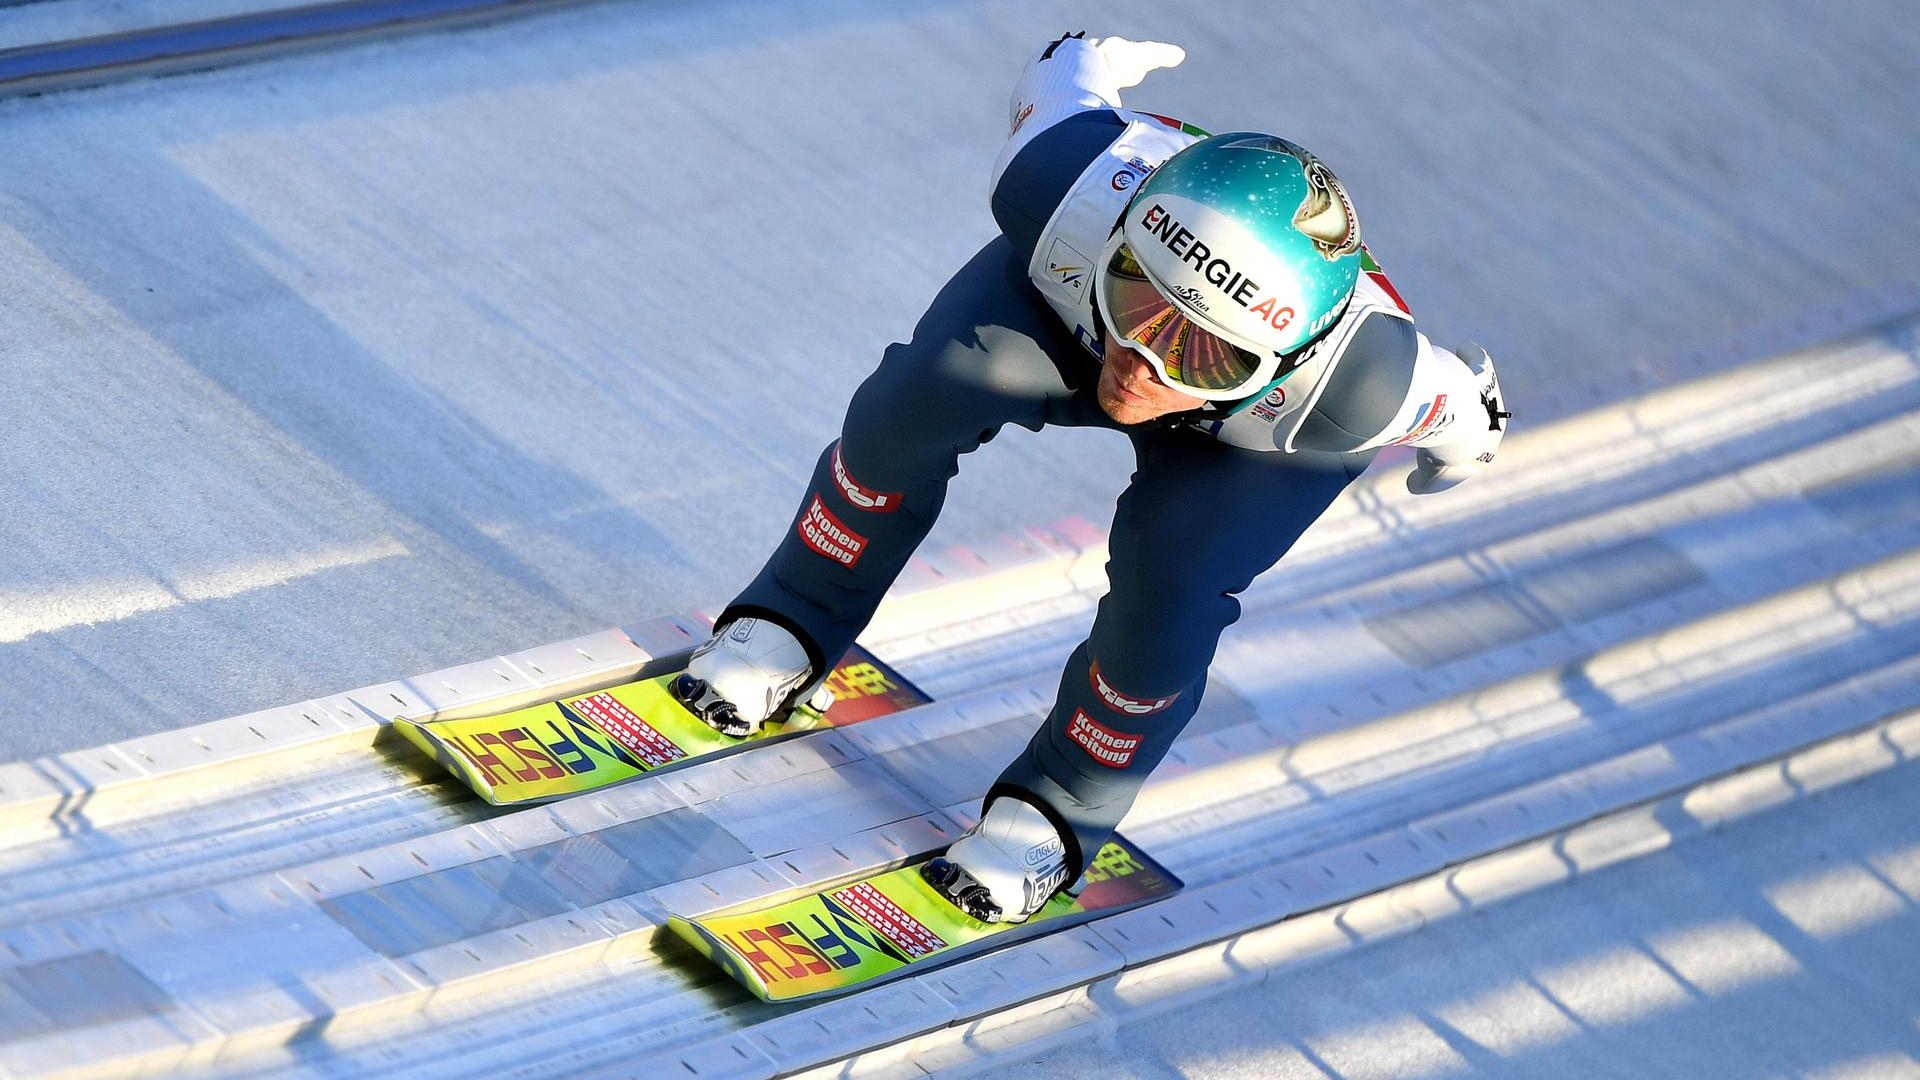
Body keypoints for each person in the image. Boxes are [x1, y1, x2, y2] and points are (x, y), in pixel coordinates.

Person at [670, 32, 1509, 923]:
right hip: (1078, 321)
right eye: (1143, 298)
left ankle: (1061, 806)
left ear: (1288, 356)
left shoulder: (1362, 389)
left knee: (1172, 584)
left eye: (1201, 352)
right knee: (910, 404)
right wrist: (1089, 55)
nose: (1144, 365)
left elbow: (1471, 414)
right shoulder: (1061, 177)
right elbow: (1064, 70)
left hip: (1254, 437)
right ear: (1120, 239)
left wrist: (1464, 445)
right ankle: (794, 616)